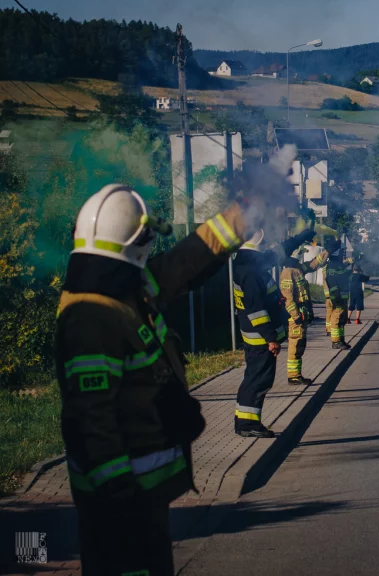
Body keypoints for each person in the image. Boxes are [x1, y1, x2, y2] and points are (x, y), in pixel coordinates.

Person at [56, 184, 249, 575]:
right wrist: (119, 495)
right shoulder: (92, 318)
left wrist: (242, 215)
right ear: (136, 243)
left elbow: (184, 263)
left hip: (141, 496)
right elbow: (91, 421)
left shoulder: (120, 288)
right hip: (121, 504)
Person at [233, 227, 315, 436]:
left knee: (254, 378)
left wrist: (303, 236)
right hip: (259, 339)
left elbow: (280, 251)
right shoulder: (251, 272)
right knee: (258, 380)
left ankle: (244, 421)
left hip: (258, 337)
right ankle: (248, 425)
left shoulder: (249, 263)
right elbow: (256, 311)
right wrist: (270, 338)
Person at [280, 244, 329, 384]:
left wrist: (327, 251)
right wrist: (296, 317)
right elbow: (288, 299)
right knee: (295, 345)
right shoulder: (288, 272)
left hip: (302, 315)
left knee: (300, 345)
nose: (300, 260)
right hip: (295, 318)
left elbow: (314, 264)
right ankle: (293, 376)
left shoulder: (298, 269)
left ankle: (297, 374)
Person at [324, 239, 352, 349]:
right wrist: (336, 295)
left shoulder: (339, 265)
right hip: (338, 297)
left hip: (343, 297)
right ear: (337, 253)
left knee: (342, 320)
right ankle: (335, 342)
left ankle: (341, 340)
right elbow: (332, 281)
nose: (343, 254)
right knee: (336, 319)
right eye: (342, 252)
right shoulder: (332, 265)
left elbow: (344, 278)